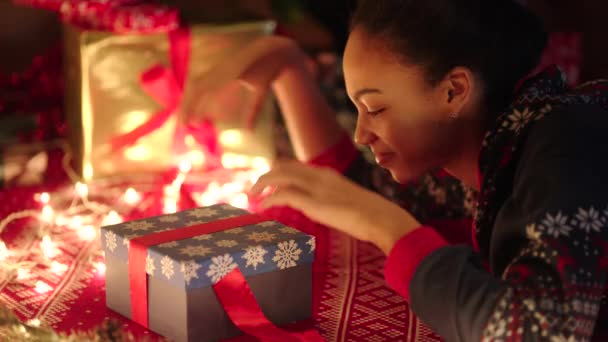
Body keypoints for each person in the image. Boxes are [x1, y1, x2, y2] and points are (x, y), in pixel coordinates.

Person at [186, 0, 608, 340]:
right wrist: (290, 71)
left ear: (453, 90)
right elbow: (359, 190)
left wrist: (387, 228)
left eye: (375, 108)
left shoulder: (563, 141)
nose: (361, 134)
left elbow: (538, 331)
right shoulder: (483, 153)